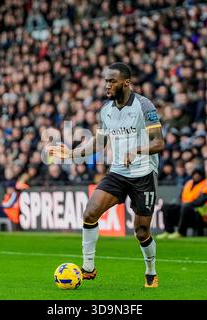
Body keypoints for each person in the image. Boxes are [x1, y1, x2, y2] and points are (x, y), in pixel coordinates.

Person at [47, 63, 165, 288]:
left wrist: (137, 150)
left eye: (112, 81)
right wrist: (72, 154)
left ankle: (151, 270)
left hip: (143, 175)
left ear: (126, 83)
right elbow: (100, 142)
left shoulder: (143, 105)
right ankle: (88, 268)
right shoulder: (106, 109)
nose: (107, 85)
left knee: (141, 231)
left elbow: (159, 143)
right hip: (118, 172)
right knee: (90, 213)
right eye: (105, 81)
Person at [156, 166, 207, 239]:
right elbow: (181, 198)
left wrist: (186, 205)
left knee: (186, 207)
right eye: (195, 174)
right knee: (166, 207)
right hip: (184, 212)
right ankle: (168, 231)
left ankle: (181, 232)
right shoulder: (188, 183)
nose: (196, 176)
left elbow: (199, 202)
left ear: (202, 175)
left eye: (199, 174)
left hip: (200, 216)